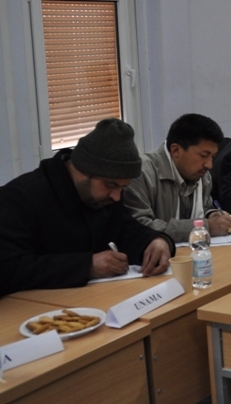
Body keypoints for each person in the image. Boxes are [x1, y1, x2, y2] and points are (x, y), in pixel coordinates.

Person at [0, 119, 174, 296]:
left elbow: (124, 228)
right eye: (111, 185)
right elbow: (8, 269)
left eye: (123, 187)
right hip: (30, 311)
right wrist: (87, 266)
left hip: (92, 300)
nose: (116, 196)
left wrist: (155, 241)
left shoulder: (104, 196)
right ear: (82, 170)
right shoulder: (20, 197)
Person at [123, 113, 231, 243]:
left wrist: (212, 214)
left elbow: (205, 207)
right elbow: (140, 226)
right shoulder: (141, 174)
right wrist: (206, 226)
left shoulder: (203, 175)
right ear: (176, 151)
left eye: (213, 157)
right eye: (204, 155)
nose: (209, 165)